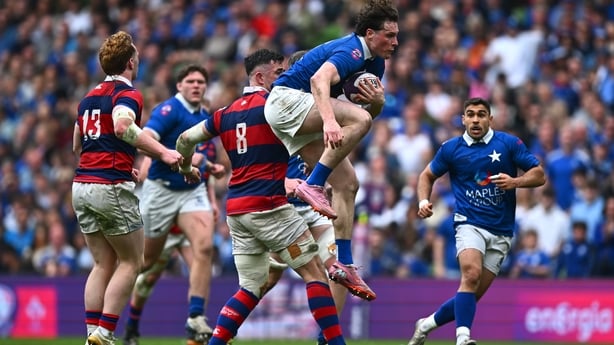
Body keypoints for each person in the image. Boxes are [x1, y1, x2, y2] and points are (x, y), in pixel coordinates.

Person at [176, 48, 348, 345]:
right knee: (315, 272)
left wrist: (186, 166)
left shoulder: (223, 114)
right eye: (279, 74)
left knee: (250, 288)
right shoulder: (273, 107)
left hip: (237, 212)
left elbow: (184, 139)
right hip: (268, 206)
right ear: (260, 76)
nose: (285, 79)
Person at [263, 0, 399, 301]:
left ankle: (344, 264)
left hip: (301, 115)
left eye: (396, 35)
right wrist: (328, 120)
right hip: (285, 101)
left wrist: (376, 104)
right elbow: (318, 79)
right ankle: (312, 184)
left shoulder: (376, 64)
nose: (395, 42)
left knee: (348, 184)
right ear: (369, 33)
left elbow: (365, 117)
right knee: (358, 120)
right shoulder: (352, 50)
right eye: (389, 35)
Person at [71, 30, 183, 345]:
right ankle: (105, 334)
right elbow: (122, 125)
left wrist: (119, 159)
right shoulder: (127, 93)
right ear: (131, 61)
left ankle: (91, 334)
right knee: (133, 262)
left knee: (101, 263)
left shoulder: (88, 96)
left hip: (81, 184)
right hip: (108, 185)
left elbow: (78, 143)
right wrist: (162, 152)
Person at [408, 97, 546, 345]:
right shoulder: (451, 148)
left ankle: (425, 324)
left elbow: (539, 175)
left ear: (490, 119)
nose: (475, 119)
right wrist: (422, 202)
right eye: (470, 114)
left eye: (481, 114)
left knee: (470, 295)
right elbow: (426, 176)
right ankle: (463, 338)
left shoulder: (509, 143)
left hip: (502, 231)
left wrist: (515, 182)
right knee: (470, 275)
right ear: (463, 119)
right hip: (468, 222)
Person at [132, 64, 224, 345]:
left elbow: (199, 160)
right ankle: (113, 311)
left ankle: (195, 318)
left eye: (201, 82)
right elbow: (143, 141)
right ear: (179, 86)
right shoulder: (168, 111)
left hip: (191, 191)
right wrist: (175, 157)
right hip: (161, 191)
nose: (196, 85)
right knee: (143, 263)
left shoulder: (205, 117)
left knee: (205, 247)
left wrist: (209, 166)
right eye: (190, 81)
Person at [123, 137, 224, 345]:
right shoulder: (167, 144)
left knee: (200, 265)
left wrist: (212, 202)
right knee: (148, 277)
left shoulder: (208, 147)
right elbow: (144, 175)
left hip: (187, 225)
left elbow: (206, 179)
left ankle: (195, 331)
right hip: (165, 227)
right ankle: (131, 327)